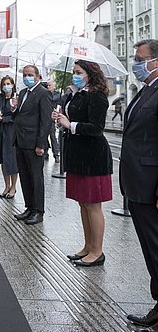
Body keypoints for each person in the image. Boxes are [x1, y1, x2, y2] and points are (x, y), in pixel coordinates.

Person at [53, 60, 112, 267]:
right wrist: (62, 118)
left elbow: (97, 127)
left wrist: (71, 124)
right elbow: (72, 119)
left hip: (93, 157)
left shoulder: (98, 96)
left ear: (90, 74)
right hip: (78, 155)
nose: (74, 75)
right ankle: (88, 246)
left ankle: (97, 251)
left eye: (78, 72)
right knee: (83, 203)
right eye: (74, 72)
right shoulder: (78, 94)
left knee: (93, 205)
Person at [120, 39, 158, 332]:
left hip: (151, 184)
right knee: (151, 249)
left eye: (139, 58)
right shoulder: (146, 90)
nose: (136, 62)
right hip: (137, 183)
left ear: (155, 61)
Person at [11, 64, 53, 225]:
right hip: (20, 141)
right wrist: (14, 107)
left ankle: (38, 211)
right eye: (24, 74)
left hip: (34, 143)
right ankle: (29, 207)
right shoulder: (22, 93)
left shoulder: (43, 93)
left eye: (30, 74)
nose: (27, 77)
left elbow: (45, 121)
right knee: (25, 176)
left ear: (37, 76)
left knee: (36, 177)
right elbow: (18, 116)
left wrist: (41, 144)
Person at [43, 79, 60, 163]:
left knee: (53, 137)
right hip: (44, 117)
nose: (48, 87)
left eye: (49, 85)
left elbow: (52, 99)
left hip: (52, 118)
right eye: (47, 85)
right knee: (44, 136)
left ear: (54, 86)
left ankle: (56, 154)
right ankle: (45, 152)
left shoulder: (57, 94)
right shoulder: (45, 93)